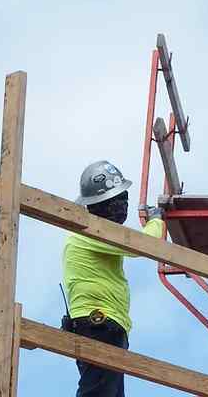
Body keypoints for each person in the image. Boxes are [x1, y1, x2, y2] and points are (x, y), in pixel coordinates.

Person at [62, 160, 164, 397]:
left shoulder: (94, 231)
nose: (122, 206)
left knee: (108, 392)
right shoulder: (89, 229)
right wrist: (156, 220)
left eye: (123, 199)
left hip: (105, 322)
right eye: (116, 201)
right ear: (99, 205)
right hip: (98, 321)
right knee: (99, 392)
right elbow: (144, 246)